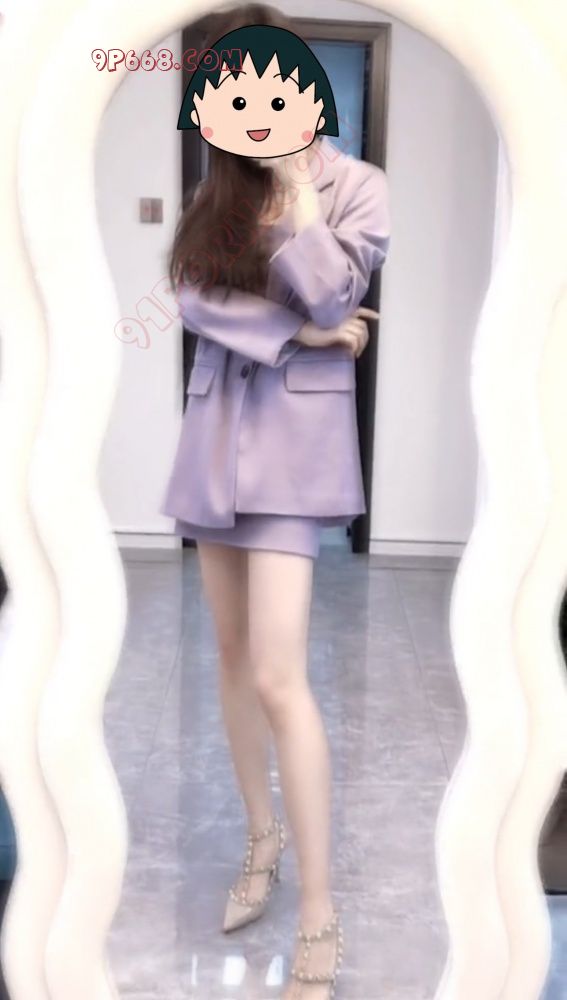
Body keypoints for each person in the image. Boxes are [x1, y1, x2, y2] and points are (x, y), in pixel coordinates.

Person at [160, 5, 391, 997]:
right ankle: (261, 839)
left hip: (294, 451)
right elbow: (191, 298)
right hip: (215, 435)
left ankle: (319, 906)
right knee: (228, 656)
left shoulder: (356, 186)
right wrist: (304, 334)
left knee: (278, 674)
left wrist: (296, 199)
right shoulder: (215, 189)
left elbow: (337, 290)